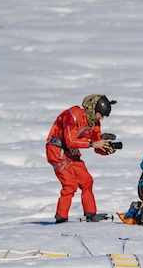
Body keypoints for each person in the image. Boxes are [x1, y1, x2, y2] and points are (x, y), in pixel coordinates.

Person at [45, 94, 118, 223]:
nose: (101, 118)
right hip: (57, 152)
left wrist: (106, 149)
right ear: (93, 109)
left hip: (71, 153)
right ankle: (61, 218)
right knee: (70, 185)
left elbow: (96, 146)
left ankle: (90, 214)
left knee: (87, 181)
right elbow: (70, 140)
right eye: (100, 114)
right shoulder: (72, 115)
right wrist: (92, 144)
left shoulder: (94, 124)